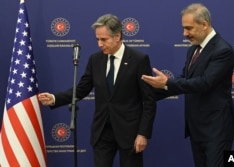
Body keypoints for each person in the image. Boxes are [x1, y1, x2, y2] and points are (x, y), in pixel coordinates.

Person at [38, 14, 156, 167]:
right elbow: (82, 89)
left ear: (118, 36)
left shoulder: (139, 59)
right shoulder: (95, 60)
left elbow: (149, 100)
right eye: (97, 39)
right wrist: (55, 98)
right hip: (102, 132)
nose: (100, 44)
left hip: (129, 133)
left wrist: (143, 133)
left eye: (104, 39)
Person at [141, 3, 234, 167]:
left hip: (216, 130)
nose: (184, 33)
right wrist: (148, 94)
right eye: (184, 28)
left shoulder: (223, 50)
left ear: (204, 24)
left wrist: (168, 83)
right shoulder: (193, 50)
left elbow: (205, 82)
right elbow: (185, 79)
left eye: (189, 28)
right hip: (197, 129)